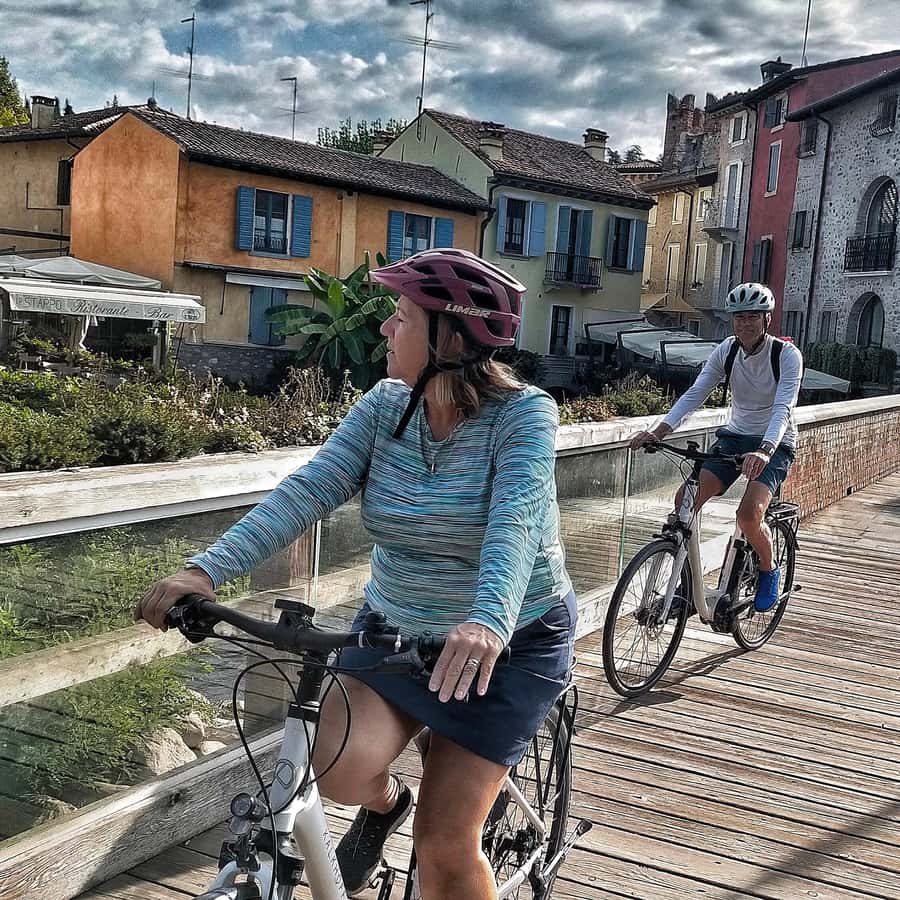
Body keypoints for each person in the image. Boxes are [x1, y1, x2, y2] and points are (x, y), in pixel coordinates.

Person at [136, 248, 576, 900]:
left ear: (452, 338)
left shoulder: (524, 415)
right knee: (334, 768)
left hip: (505, 646)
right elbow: (308, 490)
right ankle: (387, 803)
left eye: (402, 317)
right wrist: (207, 570)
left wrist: (487, 619)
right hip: (396, 630)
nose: (385, 328)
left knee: (444, 846)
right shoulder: (384, 406)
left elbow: (516, 523)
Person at [629, 282, 803, 612]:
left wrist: (765, 449)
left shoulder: (786, 355)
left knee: (748, 516)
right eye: (739, 317)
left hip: (775, 442)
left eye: (752, 317)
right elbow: (696, 393)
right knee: (685, 500)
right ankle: (687, 586)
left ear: (767, 319)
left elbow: (784, 407)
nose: (745, 324)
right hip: (735, 437)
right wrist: (659, 432)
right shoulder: (727, 350)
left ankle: (768, 569)